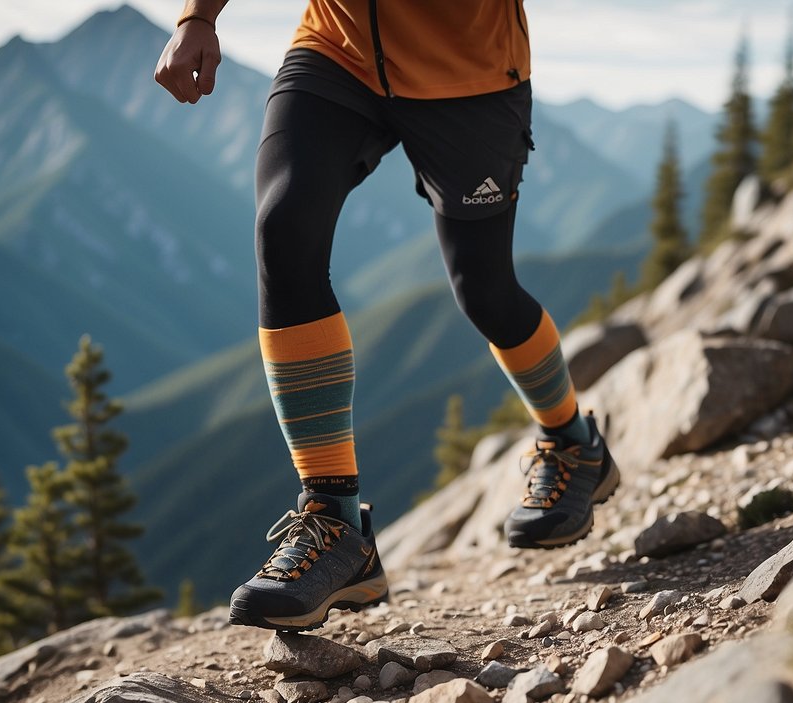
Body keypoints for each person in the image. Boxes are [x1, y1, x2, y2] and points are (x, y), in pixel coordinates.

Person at [154, 1, 620, 632]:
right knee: (284, 230)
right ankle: (337, 526)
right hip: (337, 46)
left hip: (469, 71)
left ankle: (573, 443)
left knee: (482, 289)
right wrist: (197, 17)